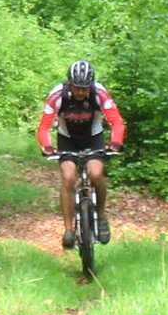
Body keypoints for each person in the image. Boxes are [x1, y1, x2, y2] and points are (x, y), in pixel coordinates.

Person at [35, 60, 126, 249]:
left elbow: (117, 122)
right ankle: (68, 230)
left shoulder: (99, 93)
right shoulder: (57, 95)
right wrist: (47, 146)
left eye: (85, 88)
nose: (80, 92)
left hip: (93, 138)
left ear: (90, 85)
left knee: (96, 174)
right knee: (68, 178)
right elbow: (44, 127)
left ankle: (101, 217)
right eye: (77, 87)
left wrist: (116, 142)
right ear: (70, 83)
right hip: (67, 139)